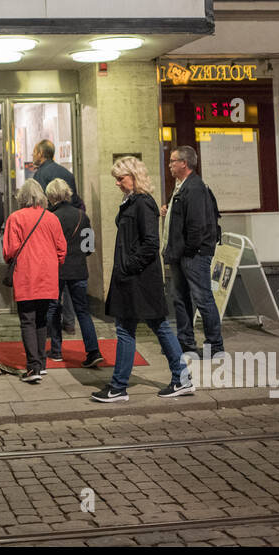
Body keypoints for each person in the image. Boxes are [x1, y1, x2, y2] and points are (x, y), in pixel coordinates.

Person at [93, 156, 192, 402]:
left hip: (139, 279)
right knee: (135, 327)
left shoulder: (143, 203)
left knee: (144, 327)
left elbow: (150, 244)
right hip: (133, 278)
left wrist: (127, 267)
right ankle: (124, 385)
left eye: (120, 178)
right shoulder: (132, 201)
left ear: (134, 177)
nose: (117, 183)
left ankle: (121, 386)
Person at [1, 179, 67, 383]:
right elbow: (62, 249)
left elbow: (9, 250)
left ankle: (33, 367)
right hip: (47, 276)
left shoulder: (16, 218)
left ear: (22, 197)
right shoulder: (51, 218)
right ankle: (41, 363)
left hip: (26, 275)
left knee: (27, 320)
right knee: (41, 320)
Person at [163, 145, 224, 356]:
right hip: (181, 253)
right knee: (180, 297)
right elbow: (182, 215)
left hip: (193, 255)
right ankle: (186, 342)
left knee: (202, 298)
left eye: (172, 161)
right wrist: (168, 209)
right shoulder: (181, 185)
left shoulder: (195, 187)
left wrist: (189, 251)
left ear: (184, 163)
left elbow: (197, 224)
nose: (169, 164)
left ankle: (214, 347)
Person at [43, 178, 103, 367]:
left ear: (51, 196)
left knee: (53, 308)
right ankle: (93, 351)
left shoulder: (50, 217)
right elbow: (89, 246)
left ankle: (56, 350)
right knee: (83, 311)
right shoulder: (81, 215)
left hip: (57, 270)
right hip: (79, 269)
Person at [32, 139, 83, 209]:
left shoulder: (39, 175)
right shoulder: (67, 173)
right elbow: (74, 201)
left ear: (40, 153)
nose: (32, 155)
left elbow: (39, 204)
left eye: (34, 152)